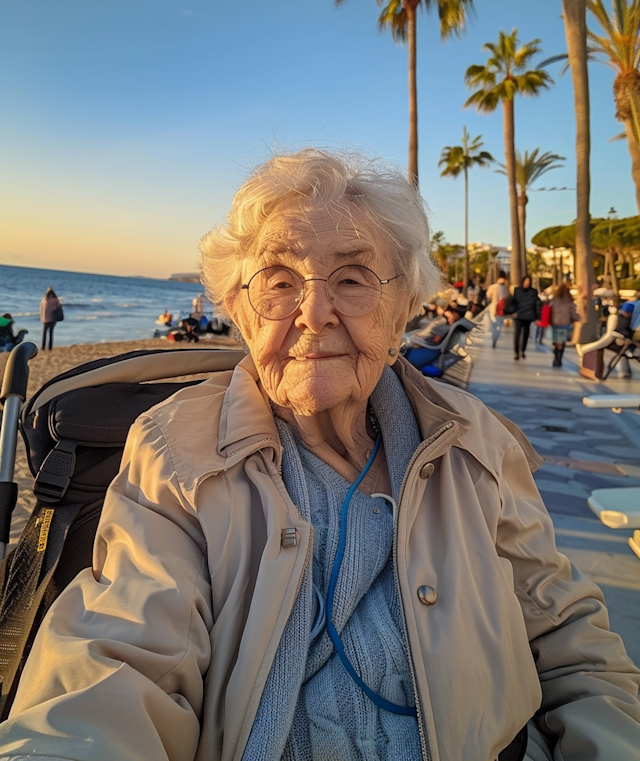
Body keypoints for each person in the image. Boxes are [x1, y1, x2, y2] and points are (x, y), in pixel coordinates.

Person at [1, 149, 639, 761]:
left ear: (404, 310)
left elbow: (570, 639)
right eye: (278, 282)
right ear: (241, 315)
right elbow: (120, 659)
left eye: (353, 279)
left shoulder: (476, 441)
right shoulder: (175, 450)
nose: (314, 313)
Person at [403, 304, 463, 370]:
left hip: (423, 342)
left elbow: (434, 338)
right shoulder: (444, 322)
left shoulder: (444, 324)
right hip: (420, 339)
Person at [548, 283, 580, 367]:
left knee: (556, 341)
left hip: (555, 322)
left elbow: (550, 309)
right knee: (562, 342)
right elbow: (573, 313)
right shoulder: (569, 300)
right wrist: (578, 318)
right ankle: (559, 359)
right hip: (565, 323)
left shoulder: (555, 300)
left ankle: (555, 357)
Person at [511, 275, 541, 360]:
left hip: (528, 316)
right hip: (519, 315)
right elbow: (514, 302)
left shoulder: (533, 292)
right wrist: (513, 311)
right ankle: (516, 352)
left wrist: (537, 317)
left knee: (526, 335)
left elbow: (537, 305)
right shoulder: (517, 290)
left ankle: (522, 350)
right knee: (517, 334)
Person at [485, 270, 510, 348]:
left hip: (494, 309)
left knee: (494, 326)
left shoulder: (493, 287)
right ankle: (495, 339)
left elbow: (488, 296)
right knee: (499, 326)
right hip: (501, 310)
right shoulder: (506, 288)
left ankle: (494, 339)